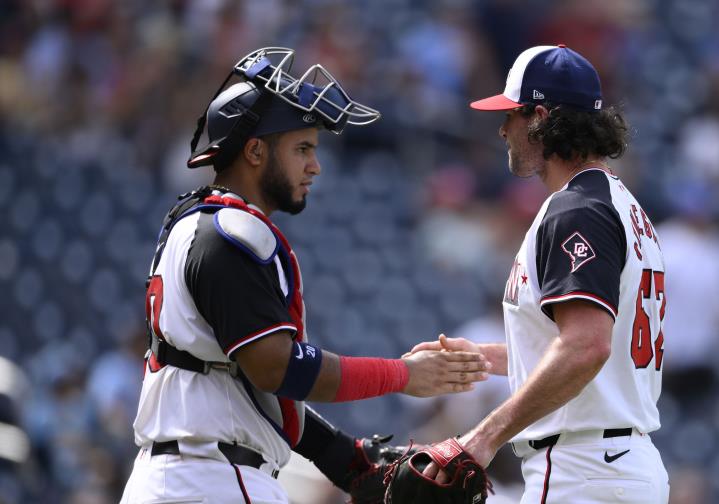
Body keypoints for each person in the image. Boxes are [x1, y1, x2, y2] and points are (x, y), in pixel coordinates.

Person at [120, 47, 488, 504]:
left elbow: (248, 382)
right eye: (302, 149)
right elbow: (278, 368)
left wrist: (345, 459)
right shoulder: (232, 233)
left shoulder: (201, 224)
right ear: (255, 150)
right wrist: (403, 375)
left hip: (187, 476)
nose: (315, 165)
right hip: (212, 480)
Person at [411, 44, 669, 502]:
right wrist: (488, 358)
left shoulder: (578, 208)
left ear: (540, 117)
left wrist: (481, 438)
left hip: (582, 468)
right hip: (613, 464)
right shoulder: (619, 204)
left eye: (511, 114)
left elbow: (586, 346)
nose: (502, 128)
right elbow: (588, 349)